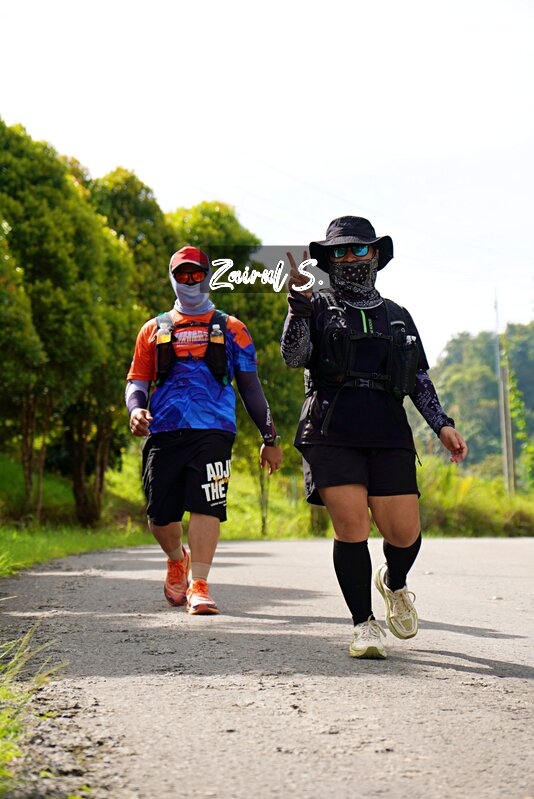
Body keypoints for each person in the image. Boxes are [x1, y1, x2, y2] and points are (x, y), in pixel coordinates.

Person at [281, 217, 467, 658]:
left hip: (387, 428)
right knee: (352, 527)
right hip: (330, 427)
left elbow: (417, 377)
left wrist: (441, 423)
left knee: (404, 533)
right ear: (327, 260)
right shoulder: (317, 304)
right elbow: (293, 356)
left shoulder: (398, 315)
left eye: (359, 249)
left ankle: (394, 582)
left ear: (377, 255)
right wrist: (298, 308)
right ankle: (363, 624)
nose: (350, 258)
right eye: (339, 251)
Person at [126, 246, 282, 615]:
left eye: (196, 274)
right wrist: (135, 410)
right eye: (182, 275)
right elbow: (137, 381)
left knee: (206, 504)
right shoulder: (152, 329)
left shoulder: (232, 329)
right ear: (172, 279)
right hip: (163, 430)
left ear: (208, 276)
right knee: (159, 518)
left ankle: (199, 584)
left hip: (214, 429)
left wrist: (270, 438)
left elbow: (251, 388)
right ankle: (176, 558)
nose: (190, 281)